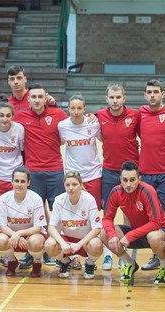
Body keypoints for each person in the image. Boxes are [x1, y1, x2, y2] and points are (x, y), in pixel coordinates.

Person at [12, 83, 68, 268]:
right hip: (33, 172)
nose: (36, 100)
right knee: (33, 215)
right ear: (28, 99)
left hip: (55, 171)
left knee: (57, 214)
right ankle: (32, 251)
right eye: (33, 97)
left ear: (46, 98)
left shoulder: (59, 115)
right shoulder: (20, 117)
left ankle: (56, 251)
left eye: (40, 97)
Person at [101, 161, 165, 285]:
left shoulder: (147, 191)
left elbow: (155, 222)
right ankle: (130, 263)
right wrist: (112, 235)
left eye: (132, 180)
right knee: (104, 233)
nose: (128, 184)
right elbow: (107, 219)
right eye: (125, 180)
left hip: (160, 232)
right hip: (138, 232)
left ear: (139, 179)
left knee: (153, 236)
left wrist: (129, 236)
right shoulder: (115, 192)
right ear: (120, 179)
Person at [96, 83, 140, 270]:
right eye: (111, 97)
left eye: (118, 97)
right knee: (108, 214)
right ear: (106, 99)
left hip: (130, 173)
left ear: (124, 98)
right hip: (109, 171)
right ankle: (108, 255)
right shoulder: (98, 116)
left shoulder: (135, 116)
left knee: (128, 215)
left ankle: (124, 253)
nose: (115, 101)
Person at [58, 94, 102, 269]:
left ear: (85, 109)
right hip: (72, 176)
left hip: (93, 175)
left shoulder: (93, 123)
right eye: (72, 108)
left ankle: (99, 253)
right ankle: (73, 255)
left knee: (94, 216)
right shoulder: (62, 126)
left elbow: (104, 139)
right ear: (68, 109)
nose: (76, 112)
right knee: (70, 215)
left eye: (79, 108)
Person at [138, 80, 165, 271]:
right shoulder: (141, 114)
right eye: (149, 92)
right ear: (145, 96)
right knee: (151, 217)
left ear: (163, 94)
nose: (152, 95)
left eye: (155, 92)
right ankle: (157, 255)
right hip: (145, 173)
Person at [45, 171, 103, 279]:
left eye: (74, 184)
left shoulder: (89, 199)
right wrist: (62, 243)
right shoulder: (59, 200)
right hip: (67, 240)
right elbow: (51, 227)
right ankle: (65, 262)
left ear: (81, 185)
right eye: (67, 185)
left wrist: (79, 244)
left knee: (96, 245)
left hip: (85, 241)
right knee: (49, 244)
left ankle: (89, 263)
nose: (71, 188)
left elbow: (97, 228)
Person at [0, 166, 46, 277]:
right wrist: (15, 235)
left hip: (31, 235)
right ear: (12, 182)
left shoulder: (36, 198)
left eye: (23, 181)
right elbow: (3, 226)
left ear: (28, 183)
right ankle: (12, 261)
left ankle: (37, 262)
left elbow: (38, 228)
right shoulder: (4, 198)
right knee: (0, 240)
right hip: (11, 235)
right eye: (16, 181)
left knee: (35, 242)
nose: (19, 184)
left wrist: (19, 234)